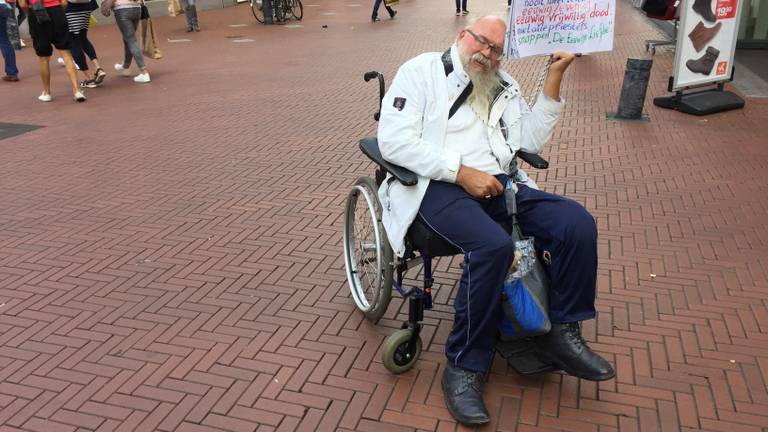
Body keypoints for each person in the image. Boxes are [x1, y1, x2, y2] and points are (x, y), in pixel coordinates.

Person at [376, 15, 615, 426]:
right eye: (481, 42)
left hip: (500, 184)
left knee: (576, 224)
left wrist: (554, 76)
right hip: (436, 186)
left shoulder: (504, 85)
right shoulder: (421, 72)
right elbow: (393, 141)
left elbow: (529, 142)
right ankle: (465, 366)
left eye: (496, 49)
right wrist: (460, 172)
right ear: (462, 36)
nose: (486, 54)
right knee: (493, 246)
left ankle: (562, 331)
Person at [18, 0, 85, 101]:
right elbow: (64, 3)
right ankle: (77, 90)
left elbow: (22, 4)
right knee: (66, 53)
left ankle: (47, 92)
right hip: (57, 11)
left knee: (43, 57)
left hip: (36, 12)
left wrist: (30, 14)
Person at [101, 0, 150, 83]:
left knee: (131, 40)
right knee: (128, 39)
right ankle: (125, 67)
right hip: (136, 8)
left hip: (122, 9)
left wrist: (106, 6)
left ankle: (144, 72)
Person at [66, 0, 106, 88]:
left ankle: (89, 78)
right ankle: (98, 68)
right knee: (83, 39)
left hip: (71, 9)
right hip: (86, 7)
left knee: (73, 43)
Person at [1, 0, 19, 81]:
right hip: (4, 6)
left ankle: (11, 72)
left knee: (4, 40)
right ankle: (12, 73)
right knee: (5, 41)